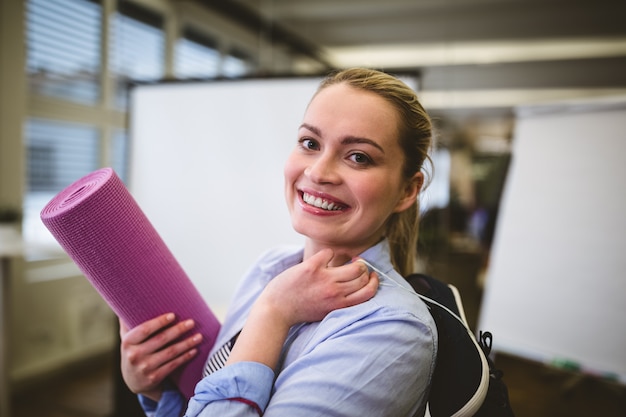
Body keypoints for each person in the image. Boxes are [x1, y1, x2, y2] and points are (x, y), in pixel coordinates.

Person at [119, 68, 438, 417]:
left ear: (408, 190)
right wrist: (159, 392)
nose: (318, 172)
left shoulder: (391, 329)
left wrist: (273, 314)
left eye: (358, 156)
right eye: (310, 143)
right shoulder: (270, 268)